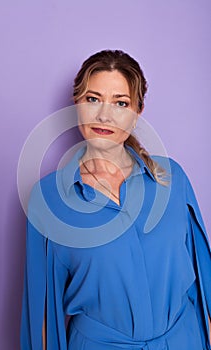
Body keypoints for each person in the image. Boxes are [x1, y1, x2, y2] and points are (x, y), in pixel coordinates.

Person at [20, 50, 211, 349]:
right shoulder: (48, 200)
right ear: (76, 105)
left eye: (120, 103)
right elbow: (43, 314)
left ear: (137, 113)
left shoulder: (173, 180)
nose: (105, 115)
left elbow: (205, 289)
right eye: (93, 99)